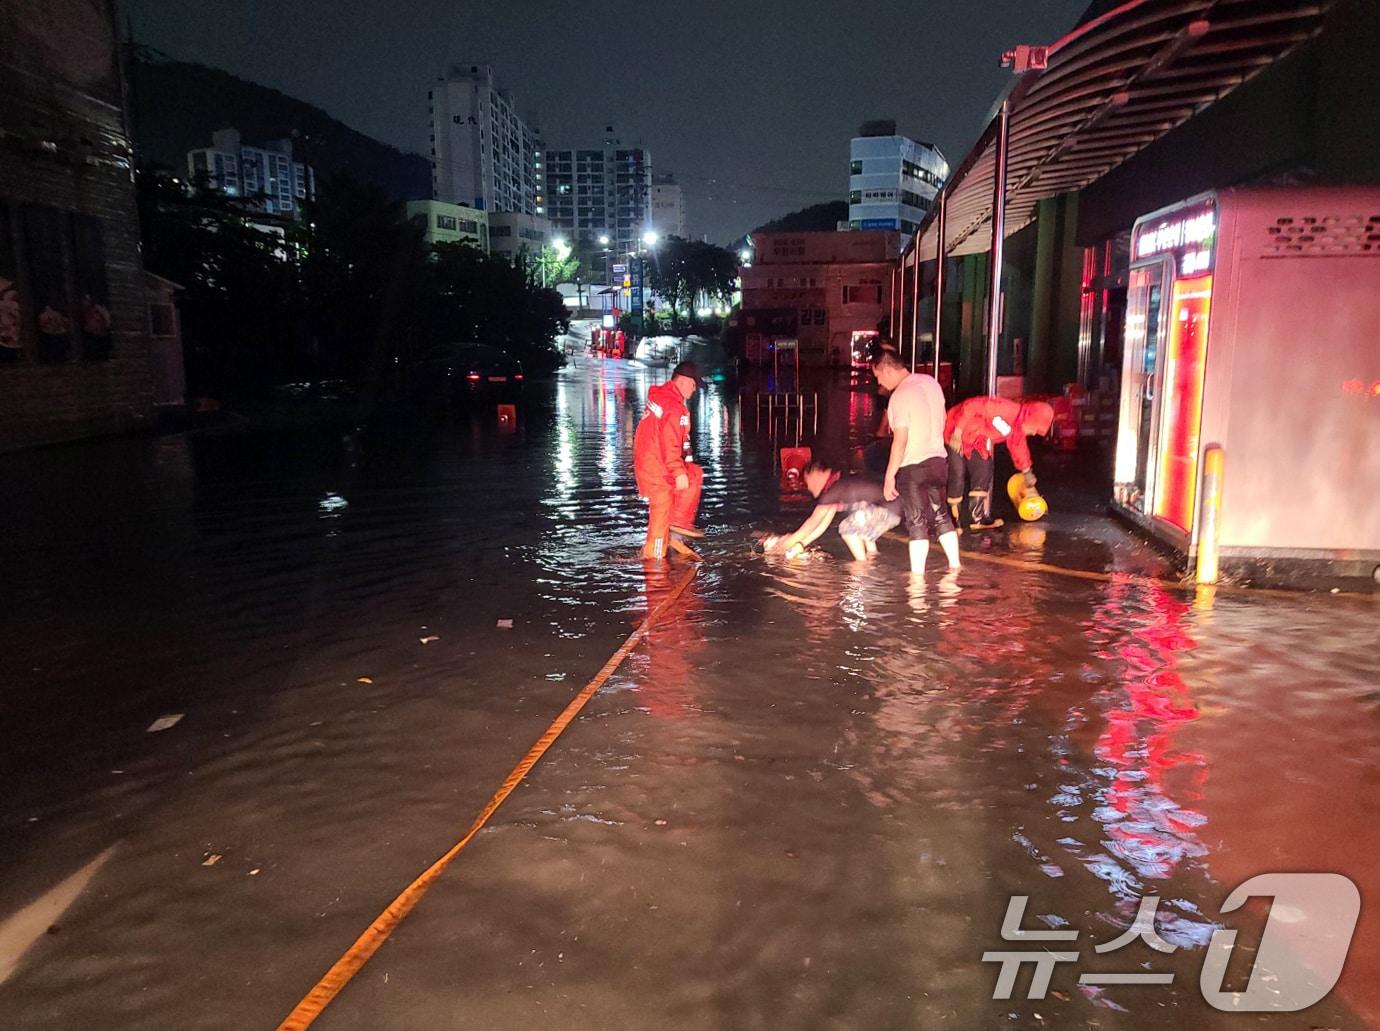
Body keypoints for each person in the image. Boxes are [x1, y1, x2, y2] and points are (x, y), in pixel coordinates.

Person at [871, 347, 959, 573]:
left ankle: (917, 581)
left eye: (878, 376)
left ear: (888, 370)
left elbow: (900, 440)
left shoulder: (900, 396)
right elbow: (943, 418)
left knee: (917, 522)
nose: (879, 382)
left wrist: (889, 476)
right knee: (941, 516)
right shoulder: (931, 383)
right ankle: (955, 566)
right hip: (939, 460)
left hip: (913, 466)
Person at [944, 397, 1055, 530]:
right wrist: (958, 431)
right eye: (1034, 428)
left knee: (984, 470)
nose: (1033, 433)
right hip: (954, 431)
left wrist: (1027, 471)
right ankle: (953, 520)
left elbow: (1018, 446)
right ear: (1028, 418)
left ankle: (978, 518)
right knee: (957, 474)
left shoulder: (1017, 428)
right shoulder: (1006, 408)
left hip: (975, 440)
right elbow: (971, 406)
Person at [633, 360, 705, 560]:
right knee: (660, 513)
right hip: (657, 469)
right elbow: (669, 441)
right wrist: (678, 471)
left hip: (654, 463)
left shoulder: (665, 400)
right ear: (683, 382)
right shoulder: (673, 407)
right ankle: (655, 565)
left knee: (694, 474)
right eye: (693, 385)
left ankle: (676, 528)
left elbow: (678, 442)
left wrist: (685, 468)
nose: (694, 389)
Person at [762, 462, 902, 562]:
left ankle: (862, 567)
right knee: (863, 532)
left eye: (807, 482)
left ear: (816, 474)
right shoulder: (836, 484)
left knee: (847, 529)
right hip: (893, 507)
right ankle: (874, 559)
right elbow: (821, 527)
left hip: (887, 508)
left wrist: (782, 545)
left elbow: (810, 525)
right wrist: (799, 545)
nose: (809, 488)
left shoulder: (832, 491)